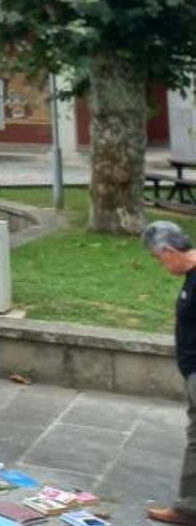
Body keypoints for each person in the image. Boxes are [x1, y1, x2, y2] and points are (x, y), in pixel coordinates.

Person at [143, 221, 196, 525]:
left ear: (169, 251)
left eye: (158, 258)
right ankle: (189, 508)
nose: (160, 264)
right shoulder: (191, 275)